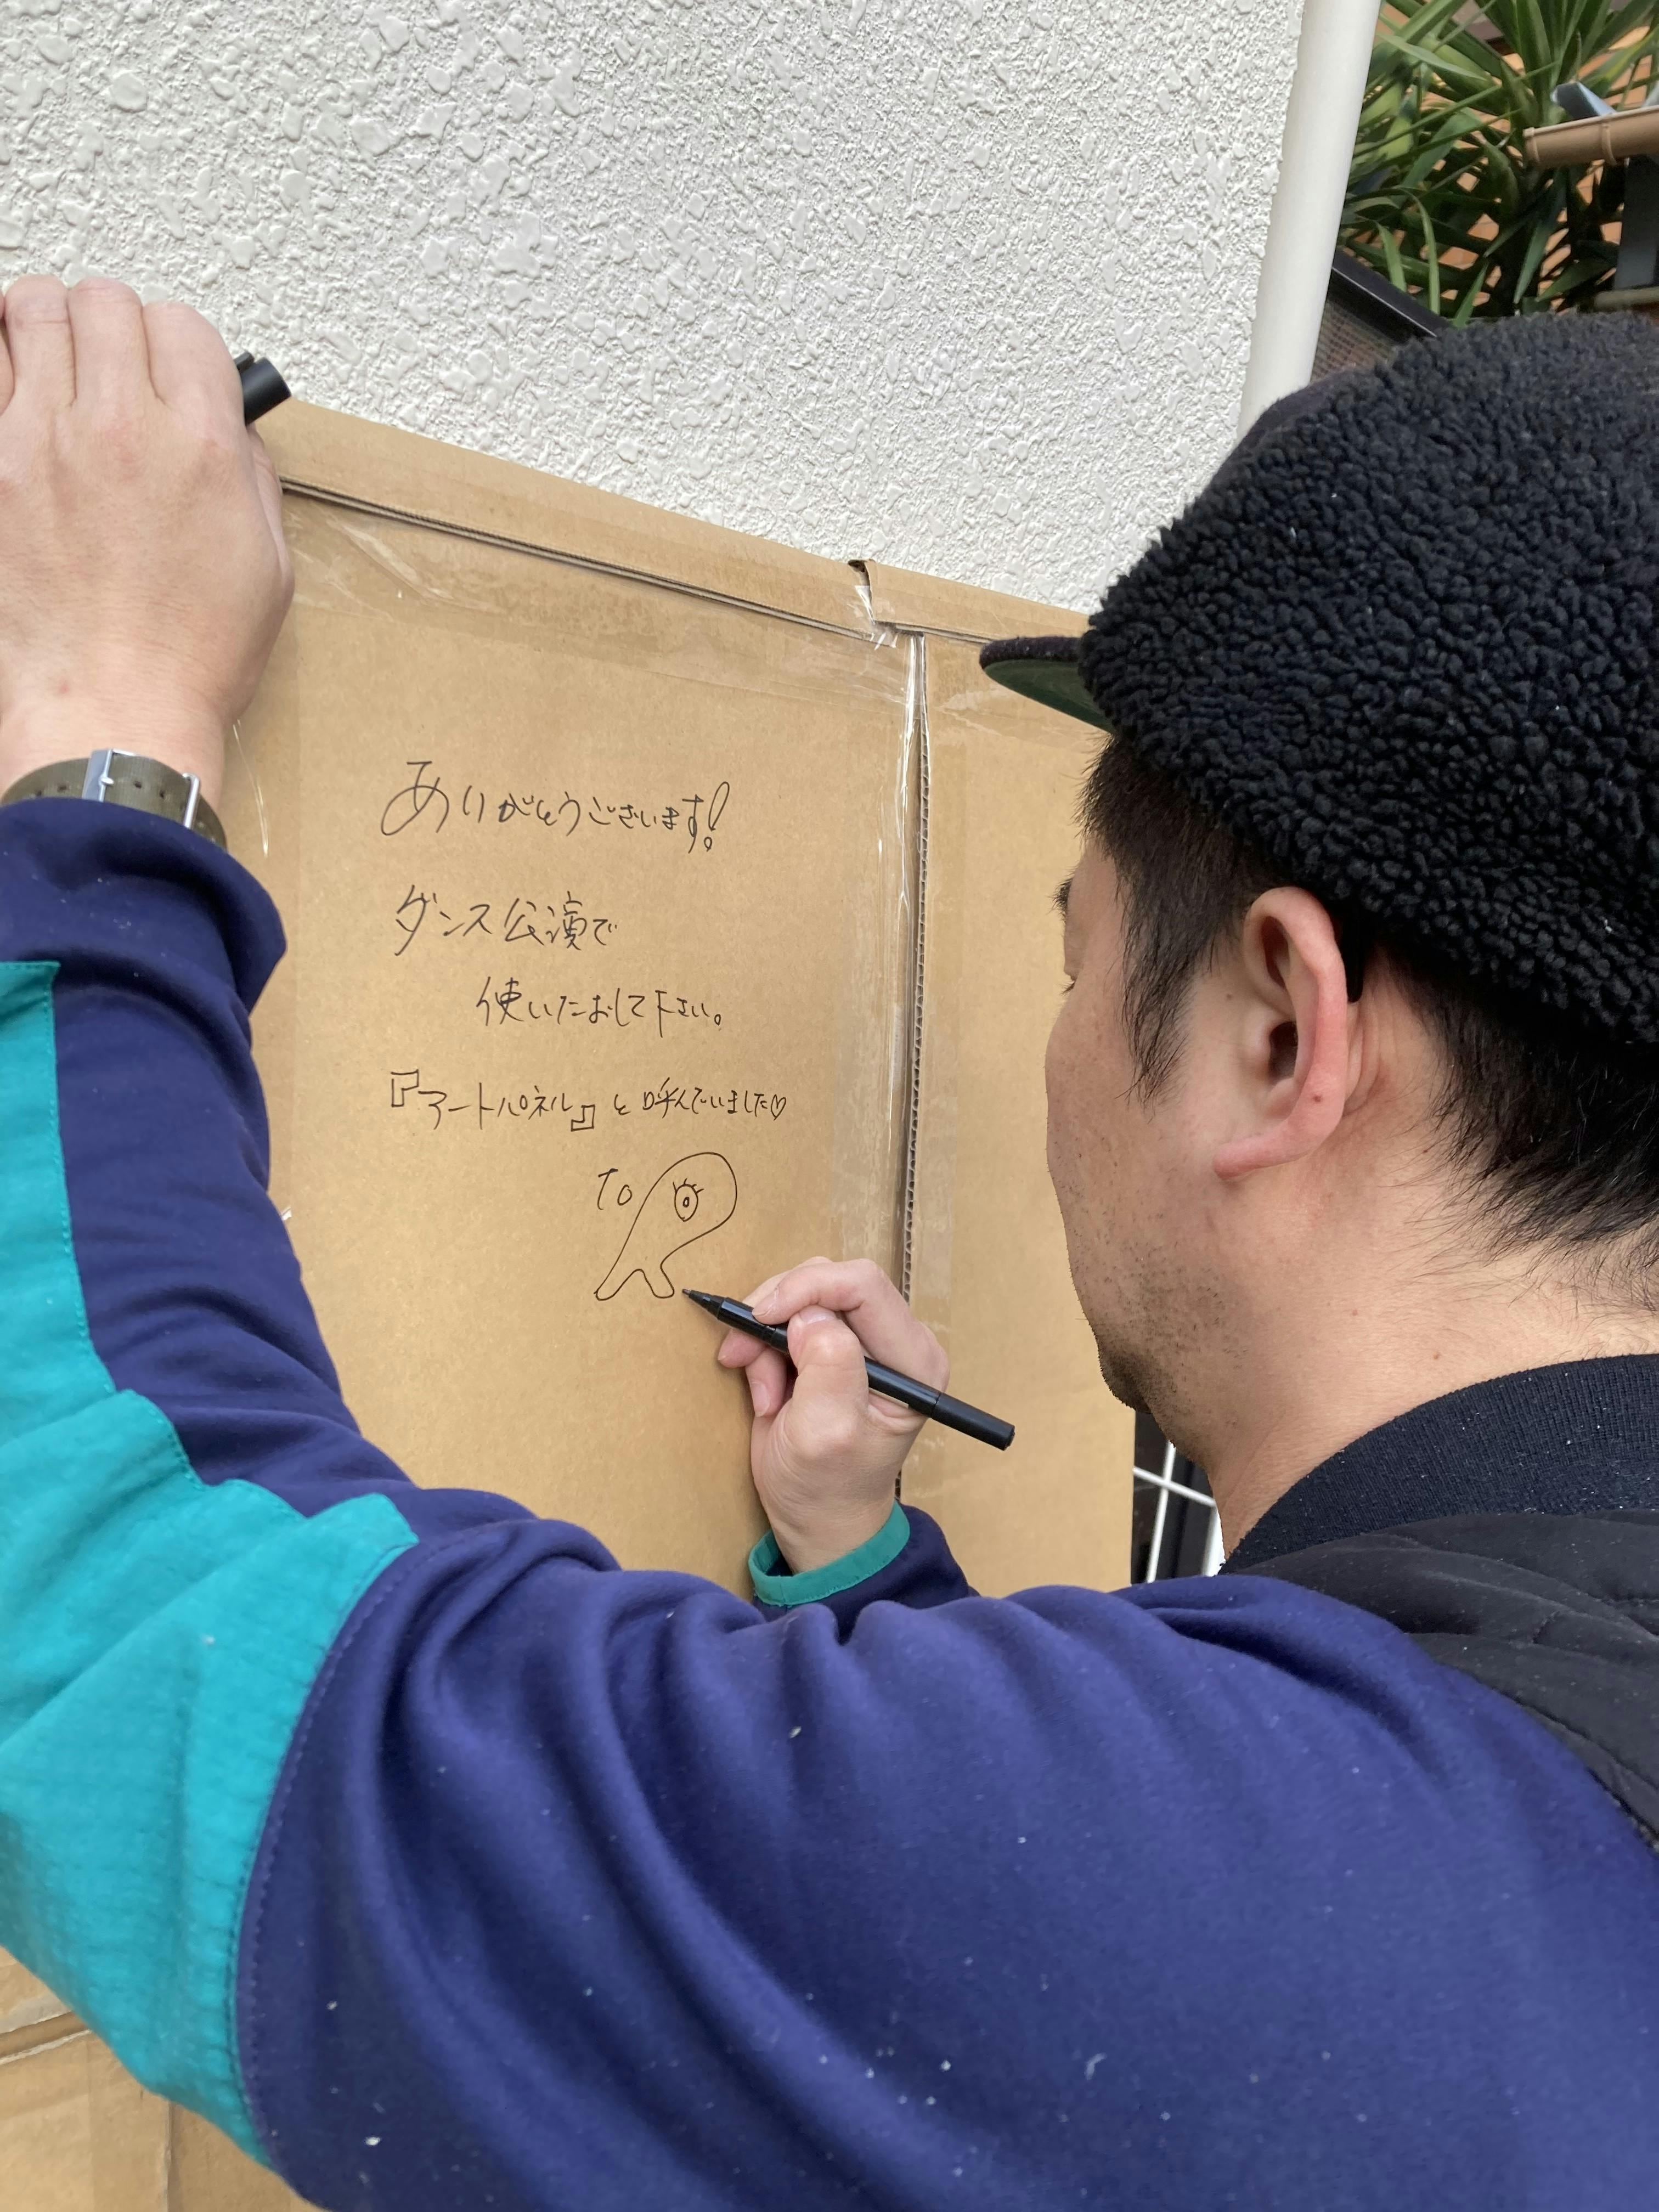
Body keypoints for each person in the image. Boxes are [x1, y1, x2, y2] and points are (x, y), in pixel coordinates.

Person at [0, 270, 1654, 2212]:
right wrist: (866, 1573)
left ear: (1280, 1033)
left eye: (1073, 954)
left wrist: (104, 741)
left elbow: (117, 1612)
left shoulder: (1283, 1910)